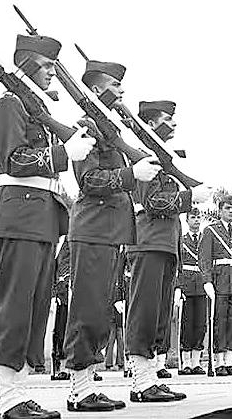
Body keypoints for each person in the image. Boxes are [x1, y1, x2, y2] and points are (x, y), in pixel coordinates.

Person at [0, 33, 96, 419]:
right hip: (20, 217)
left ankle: (17, 393)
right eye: (48, 65)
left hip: (43, 219)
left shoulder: (35, 109)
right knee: (14, 308)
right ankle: (6, 399)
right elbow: (13, 160)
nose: (53, 72)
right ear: (28, 63)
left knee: (34, 312)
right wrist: (65, 153)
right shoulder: (8, 104)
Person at [62, 58, 161, 412]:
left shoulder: (111, 129)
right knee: (87, 310)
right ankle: (79, 389)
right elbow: (88, 180)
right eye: (115, 85)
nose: (121, 91)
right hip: (93, 228)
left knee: (100, 310)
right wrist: (131, 175)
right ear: (95, 89)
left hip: (110, 230)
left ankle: (88, 383)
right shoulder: (86, 126)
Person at [125, 99, 210, 402]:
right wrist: (189, 198)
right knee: (144, 313)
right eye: (167, 119)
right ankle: (140, 382)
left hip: (165, 242)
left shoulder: (163, 158)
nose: (173, 124)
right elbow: (152, 202)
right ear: (150, 124)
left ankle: (150, 378)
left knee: (159, 316)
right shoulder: (145, 157)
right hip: (148, 241)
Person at [199, 197, 232, 377]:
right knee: (219, 320)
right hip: (219, 280)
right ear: (220, 210)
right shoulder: (211, 230)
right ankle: (219, 360)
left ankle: (229, 360)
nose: (231, 211)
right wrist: (207, 280)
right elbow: (205, 258)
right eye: (228, 208)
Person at [176, 208, 213, 375]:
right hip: (187, 286)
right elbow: (177, 265)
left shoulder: (206, 240)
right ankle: (186, 362)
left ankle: (196, 362)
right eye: (193, 217)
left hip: (202, 285)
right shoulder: (182, 240)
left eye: (198, 217)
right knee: (186, 324)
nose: (196, 220)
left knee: (200, 325)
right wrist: (178, 286)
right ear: (187, 220)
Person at [49, 239, 71, 382]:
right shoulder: (54, 244)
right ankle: (60, 366)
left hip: (75, 291)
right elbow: (51, 272)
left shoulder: (72, 241)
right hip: (61, 295)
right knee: (60, 331)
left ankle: (85, 366)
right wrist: (53, 294)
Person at [105, 247, 128, 372]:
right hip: (113, 300)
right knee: (112, 334)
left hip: (120, 299)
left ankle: (121, 361)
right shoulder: (114, 255)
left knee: (120, 334)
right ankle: (109, 362)